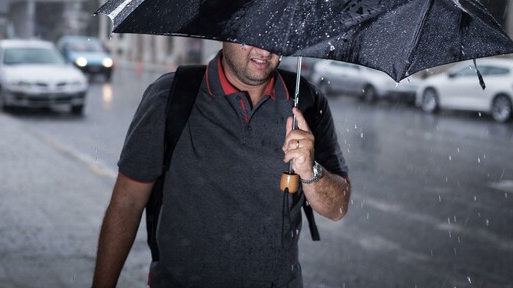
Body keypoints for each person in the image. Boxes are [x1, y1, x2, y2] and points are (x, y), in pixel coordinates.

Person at [92, 42, 351, 288]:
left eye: (271, 37)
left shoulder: (306, 101)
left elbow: (337, 207)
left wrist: (310, 171)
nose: (263, 50)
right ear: (224, 32)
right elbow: (127, 203)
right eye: (250, 37)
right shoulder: (171, 97)